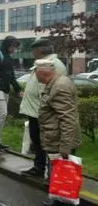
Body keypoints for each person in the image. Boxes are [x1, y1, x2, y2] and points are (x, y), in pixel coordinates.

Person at [34, 59, 81, 206]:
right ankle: (57, 199)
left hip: (59, 140)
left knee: (62, 173)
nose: (34, 75)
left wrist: (65, 146)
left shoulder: (59, 87)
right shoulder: (56, 83)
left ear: (41, 73)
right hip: (55, 138)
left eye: (34, 72)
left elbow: (68, 118)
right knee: (57, 172)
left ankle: (61, 202)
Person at [20, 38, 67, 177]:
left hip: (43, 112)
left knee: (47, 143)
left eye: (34, 50)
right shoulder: (44, 62)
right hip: (36, 110)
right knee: (38, 141)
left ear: (39, 50)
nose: (33, 53)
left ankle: (51, 174)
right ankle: (39, 167)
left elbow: (54, 89)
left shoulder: (53, 64)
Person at [0, 36, 24, 153]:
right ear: (7, 45)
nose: (14, 49)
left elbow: (11, 76)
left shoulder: (8, 57)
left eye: (16, 47)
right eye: (13, 47)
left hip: (5, 90)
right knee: (2, 114)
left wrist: (18, 90)